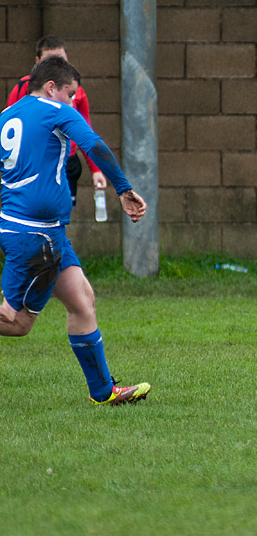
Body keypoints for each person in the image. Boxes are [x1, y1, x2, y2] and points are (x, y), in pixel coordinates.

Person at [0, 56, 150, 405]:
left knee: (82, 300)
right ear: (51, 88)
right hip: (35, 234)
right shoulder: (57, 110)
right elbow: (94, 145)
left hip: (40, 230)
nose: (73, 103)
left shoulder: (7, 117)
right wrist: (124, 189)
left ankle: (104, 392)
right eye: (70, 94)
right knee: (18, 322)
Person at [6, 35, 108, 206]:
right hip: (34, 164)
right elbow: (9, 128)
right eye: (49, 62)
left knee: (61, 214)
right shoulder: (23, 89)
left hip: (67, 164)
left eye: (60, 61)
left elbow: (86, 130)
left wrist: (96, 169)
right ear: (38, 62)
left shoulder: (77, 92)